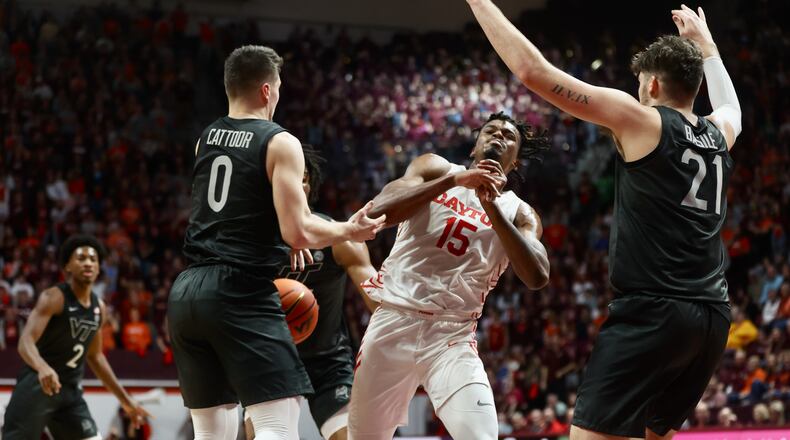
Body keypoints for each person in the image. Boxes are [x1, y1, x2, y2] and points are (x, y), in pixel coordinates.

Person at [467, 2, 741, 439]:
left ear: (653, 84)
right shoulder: (719, 133)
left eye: (639, 84)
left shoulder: (642, 119)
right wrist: (708, 47)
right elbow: (731, 106)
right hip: (711, 318)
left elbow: (533, 72)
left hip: (654, 312)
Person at [167, 45, 385, 440]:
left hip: (187, 292)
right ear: (267, 90)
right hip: (239, 290)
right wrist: (349, 230)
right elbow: (298, 232)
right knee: (277, 423)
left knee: (212, 433)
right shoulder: (280, 141)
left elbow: (238, 203)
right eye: (279, 87)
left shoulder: (206, 139)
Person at [348, 111, 550, 440]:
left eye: (509, 136)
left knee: (482, 436)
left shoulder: (520, 212)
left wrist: (491, 207)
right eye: (491, 131)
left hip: (452, 336)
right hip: (393, 323)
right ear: (474, 147)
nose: (499, 136)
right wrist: (454, 182)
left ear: (515, 162)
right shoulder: (436, 169)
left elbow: (538, 276)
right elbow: (378, 212)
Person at [243, 145, 379, 440]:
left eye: (303, 177)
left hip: (328, 360)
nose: (296, 182)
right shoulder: (250, 241)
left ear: (310, 184)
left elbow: (378, 301)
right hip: (270, 355)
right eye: (289, 175)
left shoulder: (340, 237)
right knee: (266, 435)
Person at [2, 234, 149, 439]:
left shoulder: (99, 308)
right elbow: (25, 342)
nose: (88, 263)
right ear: (67, 266)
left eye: (93, 259)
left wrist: (126, 400)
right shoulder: (54, 298)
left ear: (98, 268)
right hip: (37, 386)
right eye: (81, 258)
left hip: (69, 393)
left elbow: (96, 357)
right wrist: (42, 367)